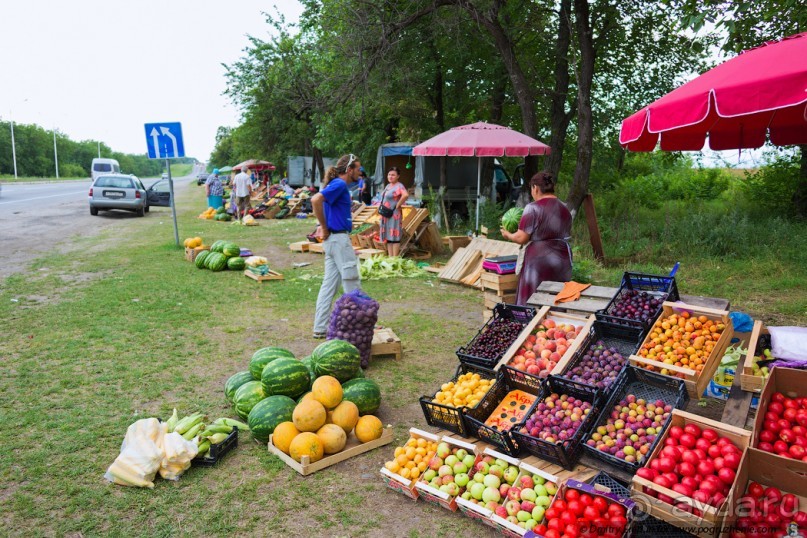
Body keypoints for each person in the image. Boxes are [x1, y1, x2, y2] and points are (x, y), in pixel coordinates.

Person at [500, 171, 573, 306]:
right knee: (557, 297)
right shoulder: (565, 207)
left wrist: (508, 235)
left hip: (539, 261)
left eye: (531, 189)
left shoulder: (532, 208)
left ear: (535, 188)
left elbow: (521, 237)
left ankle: (532, 319)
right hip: (562, 260)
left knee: (533, 298)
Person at [311, 154, 362, 339]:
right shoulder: (339, 184)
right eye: (358, 169)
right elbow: (315, 200)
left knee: (329, 286)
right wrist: (323, 226)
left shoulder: (336, 185)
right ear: (349, 169)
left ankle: (320, 327)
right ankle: (357, 326)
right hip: (338, 239)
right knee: (351, 280)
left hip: (333, 241)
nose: (360, 173)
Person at [378, 166, 409, 257]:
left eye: (393, 175)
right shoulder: (388, 186)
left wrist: (398, 205)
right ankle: (390, 258)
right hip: (386, 214)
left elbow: (405, 195)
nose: (390, 176)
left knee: (394, 237)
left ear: (398, 176)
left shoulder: (399, 186)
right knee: (389, 237)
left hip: (394, 214)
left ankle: (394, 258)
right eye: (389, 174)